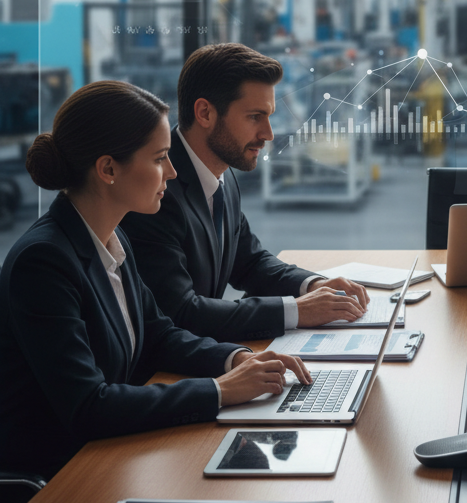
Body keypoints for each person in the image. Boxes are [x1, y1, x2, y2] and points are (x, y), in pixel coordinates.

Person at [0, 81, 313, 485]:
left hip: (112, 454)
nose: (172, 171)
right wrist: (220, 391)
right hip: (58, 480)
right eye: (160, 158)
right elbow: (88, 405)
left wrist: (235, 360)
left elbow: (158, 332)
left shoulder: (111, 236)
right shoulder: (43, 262)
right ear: (108, 169)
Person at [121, 43, 369, 344]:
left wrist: (313, 285)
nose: (268, 133)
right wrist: (295, 311)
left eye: (269, 116)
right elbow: (180, 312)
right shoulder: (155, 192)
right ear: (205, 113)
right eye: (255, 117)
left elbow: (249, 261)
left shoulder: (220, 171)